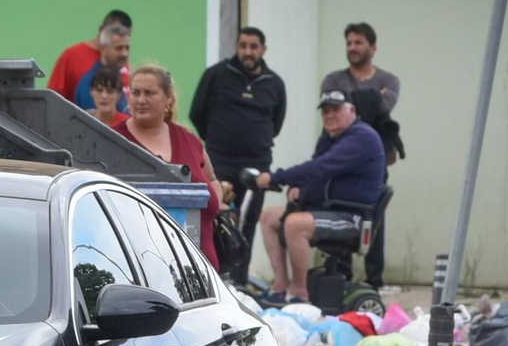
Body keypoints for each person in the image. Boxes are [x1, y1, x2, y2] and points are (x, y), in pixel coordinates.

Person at [253, 91, 386, 304]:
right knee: (269, 217)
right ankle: (280, 287)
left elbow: (321, 168)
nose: (329, 115)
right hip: (326, 210)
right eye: (325, 111)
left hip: (351, 216)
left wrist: (275, 177)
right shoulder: (331, 137)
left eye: (336, 110)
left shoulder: (361, 137)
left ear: (352, 110)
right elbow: (315, 171)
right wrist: (298, 186)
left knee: (294, 224)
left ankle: (299, 293)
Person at [188, 26, 287, 285]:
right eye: (243, 45)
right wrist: (218, 140)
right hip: (219, 161)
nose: (247, 52)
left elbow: (276, 123)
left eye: (253, 47)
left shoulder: (274, 84)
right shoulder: (216, 75)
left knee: (248, 221)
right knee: (216, 217)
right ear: (237, 46)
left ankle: (240, 281)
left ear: (263, 50)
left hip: (257, 164)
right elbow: (196, 113)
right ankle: (215, 278)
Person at [113, 64, 224, 267]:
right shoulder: (113, 141)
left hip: (201, 268)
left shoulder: (189, 139)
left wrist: (215, 205)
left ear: (168, 98)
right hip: (142, 270)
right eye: (135, 92)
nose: (141, 100)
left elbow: (212, 180)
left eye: (149, 93)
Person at [320, 23, 401, 289]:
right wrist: (368, 100)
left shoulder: (389, 80)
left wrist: (351, 102)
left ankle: (374, 280)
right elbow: (349, 109)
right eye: (349, 42)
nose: (352, 47)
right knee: (338, 214)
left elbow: (383, 106)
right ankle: (341, 277)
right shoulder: (333, 79)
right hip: (339, 157)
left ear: (373, 48)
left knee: (374, 219)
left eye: (359, 42)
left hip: (373, 160)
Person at [47, 9, 133, 102]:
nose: (124, 53)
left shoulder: (120, 63)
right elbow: (52, 100)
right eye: (116, 33)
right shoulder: (72, 56)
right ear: (102, 30)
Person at [72, 25, 130, 113]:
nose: (124, 54)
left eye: (127, 48)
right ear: (103, 48)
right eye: (119, 48)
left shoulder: (123, 76)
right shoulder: (91, 82)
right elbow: (97, 124)